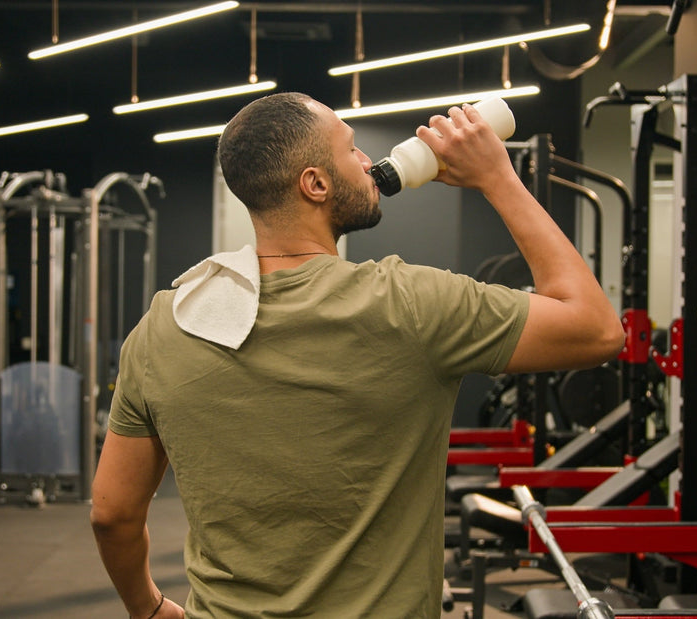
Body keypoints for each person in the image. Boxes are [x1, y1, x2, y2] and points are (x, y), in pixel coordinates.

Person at [90, 92, 624, 618]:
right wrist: (497, 178)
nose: (369, 162)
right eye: (352, 149)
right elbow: (598, 329)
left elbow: (112, 513)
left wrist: (148, 608)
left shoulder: (165, 325)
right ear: (315, 184)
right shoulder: (412, 304)